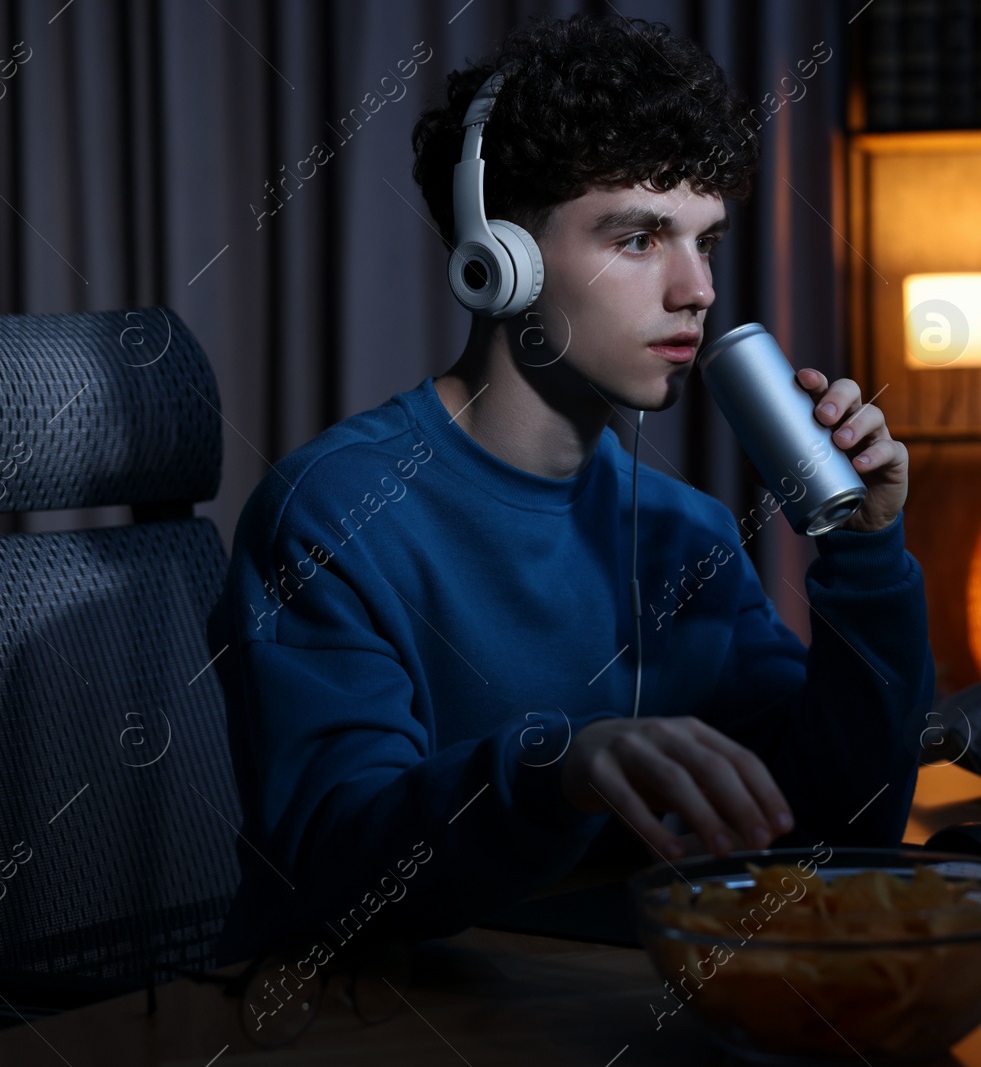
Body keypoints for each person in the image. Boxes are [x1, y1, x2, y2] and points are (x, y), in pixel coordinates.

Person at [208, 12, 936, 966]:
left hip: (579, 1007)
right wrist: (558, 768)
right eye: (639, 238)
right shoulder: (336, 515)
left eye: (705, 241)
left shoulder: (686, 534)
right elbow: (334, 861)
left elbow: (837, 830)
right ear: (498, 262)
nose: (697, 289)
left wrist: (866, 552)